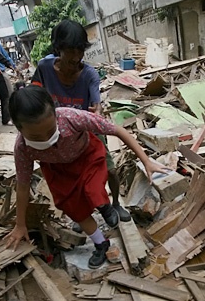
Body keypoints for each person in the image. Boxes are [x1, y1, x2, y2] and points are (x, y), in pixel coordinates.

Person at [4, 86, 167, 268]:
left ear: (56, 116)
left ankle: (104, 206)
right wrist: (20, 224)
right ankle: (100, 243)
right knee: (74, 208)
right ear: (18, 128)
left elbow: (117, 130)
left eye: (50, 131)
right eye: (35, 136)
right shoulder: (22, 148)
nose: (44, 139)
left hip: (87, 157)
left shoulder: (71, 117)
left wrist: (146, 161)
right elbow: (23, 185)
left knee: (93, 189)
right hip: (57, 171)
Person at [31, 19, 132, 227]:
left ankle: (115, 203)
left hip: (87, 128)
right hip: (61, 134)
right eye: (70, 51)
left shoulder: (89, 75)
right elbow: (35, 93)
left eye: (80, 51)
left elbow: (97, 105)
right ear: (58, 48)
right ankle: (83, 213)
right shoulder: (44, 68)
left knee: (110, 169)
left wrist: (98, 111)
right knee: (72, 178)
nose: (76, 57)